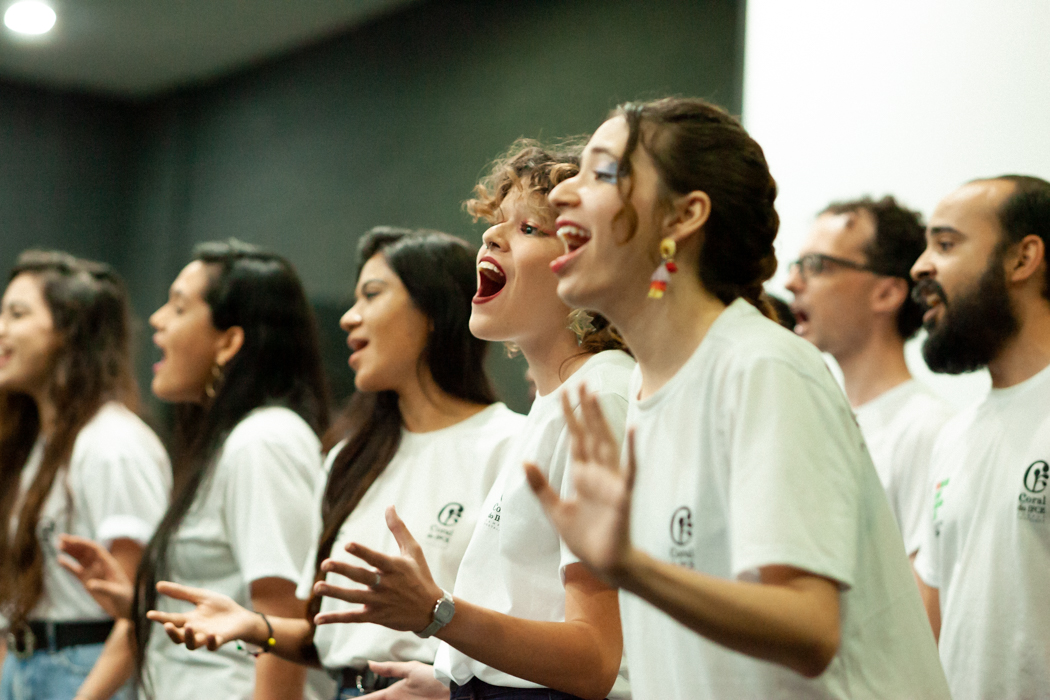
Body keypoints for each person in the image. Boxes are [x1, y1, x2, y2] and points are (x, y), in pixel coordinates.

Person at [529, 97, 950, 699]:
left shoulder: (763, 366)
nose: (564, 193)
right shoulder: (647, 392)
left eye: (602, 173)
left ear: (682, 217)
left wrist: (632, 568)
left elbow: (808, 628)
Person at [307, 141, 634, 700]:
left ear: (588, 261)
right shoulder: (555, 402)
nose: (491, 236)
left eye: (530, 228)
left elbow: (595, 660)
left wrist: (436, 614)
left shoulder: (601, 392)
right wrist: (449, 680)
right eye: (496, 224)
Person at [142, 227, 524, 699]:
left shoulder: (510, 444)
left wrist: (456, 691)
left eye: (372, 295)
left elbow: (535, 625)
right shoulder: (349, 459)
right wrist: (258, 626)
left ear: (431, 313)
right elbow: (324, 637)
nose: (348, 318)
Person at [64, 240, 330, 700]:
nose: (157, 320)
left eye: (179, 307)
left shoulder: (263, 440)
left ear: (229, 341)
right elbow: (228, 605)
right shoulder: (232, 441)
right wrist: (139, 602)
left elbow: (282, 619)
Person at [0, 251, 170, 700]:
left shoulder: (112, 444)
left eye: (17, 314)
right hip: (27, 662)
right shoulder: (36, 443)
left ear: (68, 331)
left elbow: (136, 610)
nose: (1, 328)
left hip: (83, 669)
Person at [910, 175, 1050, 700]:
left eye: (945, 244)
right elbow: (933, 622)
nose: (920, 266)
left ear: (1023, 259)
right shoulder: (956, 436)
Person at [785, 196, 952, 557]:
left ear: (887, 293)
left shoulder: (926, 430)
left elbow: (921, 603)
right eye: (796, 265)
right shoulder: (820, 419)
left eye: (817, 266)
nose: (792, 283)